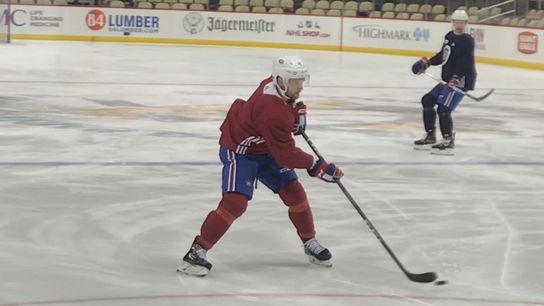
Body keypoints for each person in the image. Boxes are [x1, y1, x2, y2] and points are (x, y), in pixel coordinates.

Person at [178, 56, 344, 277]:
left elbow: (285, 118)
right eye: (296, 81)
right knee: (235, 202)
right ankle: (196, 253)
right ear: (281, 81)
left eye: (301, 80)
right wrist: (317, 166)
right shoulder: (272, 110)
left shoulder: (276, 88)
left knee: (295, 192)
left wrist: (296, 110)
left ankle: (309, 241)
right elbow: (286, 153)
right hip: (240, 150)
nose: (301, 86)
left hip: (266, 148)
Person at [411, 9, 477, 155]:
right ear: (452, 22)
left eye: (462, 22)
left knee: (443, 109)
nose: (459, 25)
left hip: (461, 81)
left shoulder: (467, 40)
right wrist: (427, 62)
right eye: (456, 22)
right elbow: (443, 55)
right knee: (427, 100)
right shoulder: (449, 36)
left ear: (466, 23)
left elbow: (465, 62)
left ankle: (448, 140)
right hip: (447, 79)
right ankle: (430, 135)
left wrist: (456, 78)